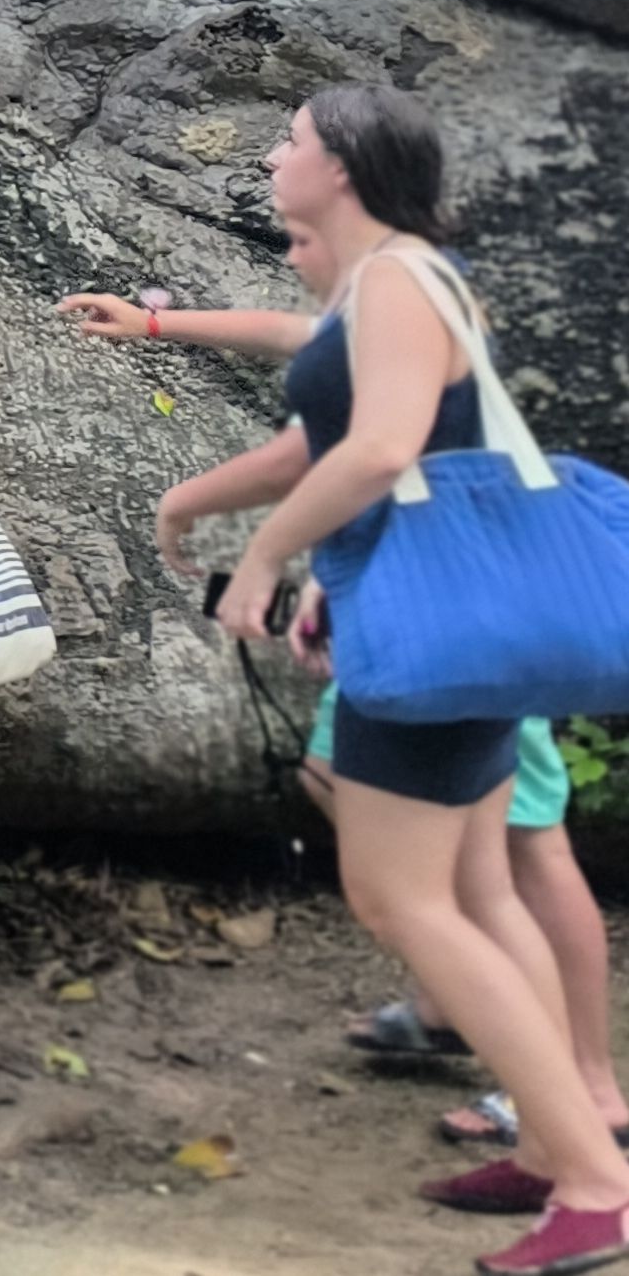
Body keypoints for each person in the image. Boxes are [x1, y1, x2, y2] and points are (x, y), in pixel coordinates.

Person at [169, 86, 629, 1275]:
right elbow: (392, 445)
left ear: (342, 165)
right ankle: (555, 1147)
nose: (272, 156)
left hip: (435, 642)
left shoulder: (395, 281)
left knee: (399, 897)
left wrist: (265, 557)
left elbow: (378, 448)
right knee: (476, 890)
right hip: (453, 615)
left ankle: (593, 1182)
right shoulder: (401, 278)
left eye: (289, 140)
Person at [67, 252, 629, 1160]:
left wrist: (201, 513)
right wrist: (157, 322)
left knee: (517, 857)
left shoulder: (397, 289)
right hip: (433, 607)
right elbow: (299, 338)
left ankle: (575, 1089)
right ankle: (461, 1011)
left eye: (301, 217)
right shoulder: (392, 293)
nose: (293, 240)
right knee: (406, 821)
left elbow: (326, 451)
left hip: (453, 621)